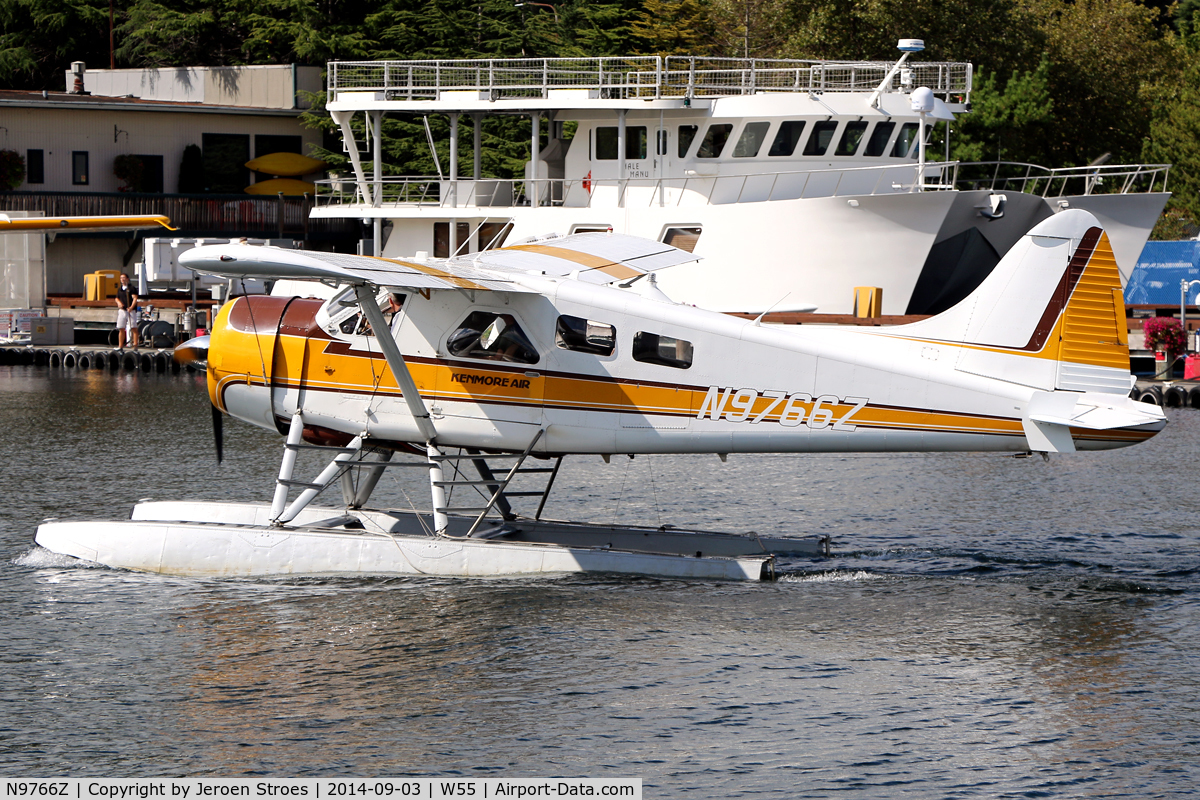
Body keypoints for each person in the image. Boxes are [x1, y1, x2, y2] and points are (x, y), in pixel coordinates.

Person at [115, 273, 139, 349]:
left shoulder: (131, 288)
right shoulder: (120, 289)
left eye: (124, 278)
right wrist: (119, 303)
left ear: (127, 279)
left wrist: (131, 307)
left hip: (130, 310)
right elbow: (117, 298)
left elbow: (135, 298)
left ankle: (135, 345)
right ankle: (120, 345)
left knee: (133, 327)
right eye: (121, 278)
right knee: (121, 328)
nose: (122, 279)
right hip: (122, 310)